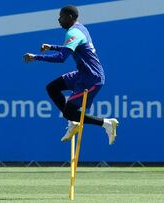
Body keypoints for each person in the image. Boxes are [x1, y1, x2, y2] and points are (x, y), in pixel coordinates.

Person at [23, 5, 118, 145]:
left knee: (69, 112)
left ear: (70, 17)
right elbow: (71, 47)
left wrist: (36, 57)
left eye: (61, 16)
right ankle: (73, 122)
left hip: (92, 78)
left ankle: (106, 123)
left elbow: (61, 58)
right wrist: (51, 47)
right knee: (52, 88)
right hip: (82, 74)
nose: (58, 19)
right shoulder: (80, 29)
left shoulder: (73, 32)